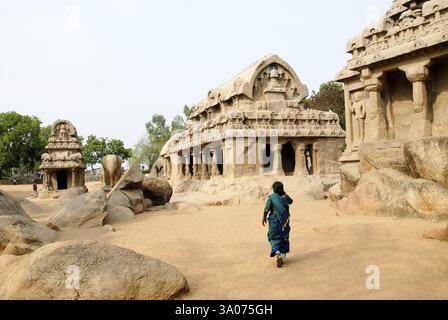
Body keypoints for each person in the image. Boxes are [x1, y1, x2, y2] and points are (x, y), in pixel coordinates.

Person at [262, 181, 293, 268]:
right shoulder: (285, 197)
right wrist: (284, 193)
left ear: (273, 189)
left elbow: (266, 209)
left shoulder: (272, 197)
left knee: (273, 237)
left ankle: (277, 252)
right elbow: (291, 201)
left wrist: (263, 217)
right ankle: (282, 257)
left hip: (274, 221)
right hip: (284, 221)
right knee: (283, 237)